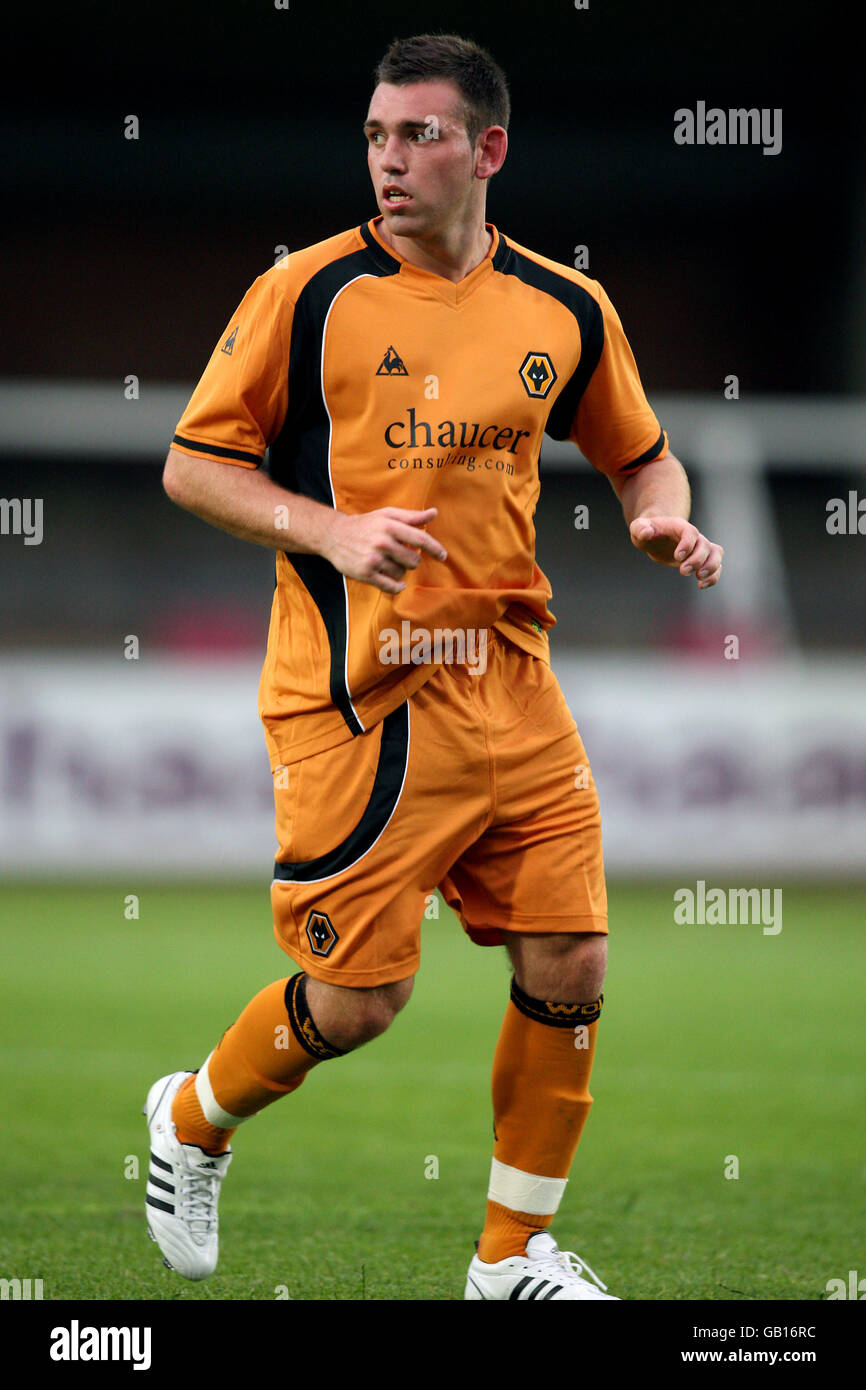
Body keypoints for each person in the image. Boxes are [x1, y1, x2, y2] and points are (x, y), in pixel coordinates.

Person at [145, 32, 723, 1301]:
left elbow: (641, 451)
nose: (389, 160)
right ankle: (191, 1119)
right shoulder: (306, 293)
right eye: (374, 135)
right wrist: (331, 528)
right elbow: (193, 464)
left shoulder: (565, 308)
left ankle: (508, 1259)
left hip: (512, 676)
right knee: (358, 1005)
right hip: (361, 696)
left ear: (486, 150)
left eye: (417, 135)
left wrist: (655, 512)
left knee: (569, 958)